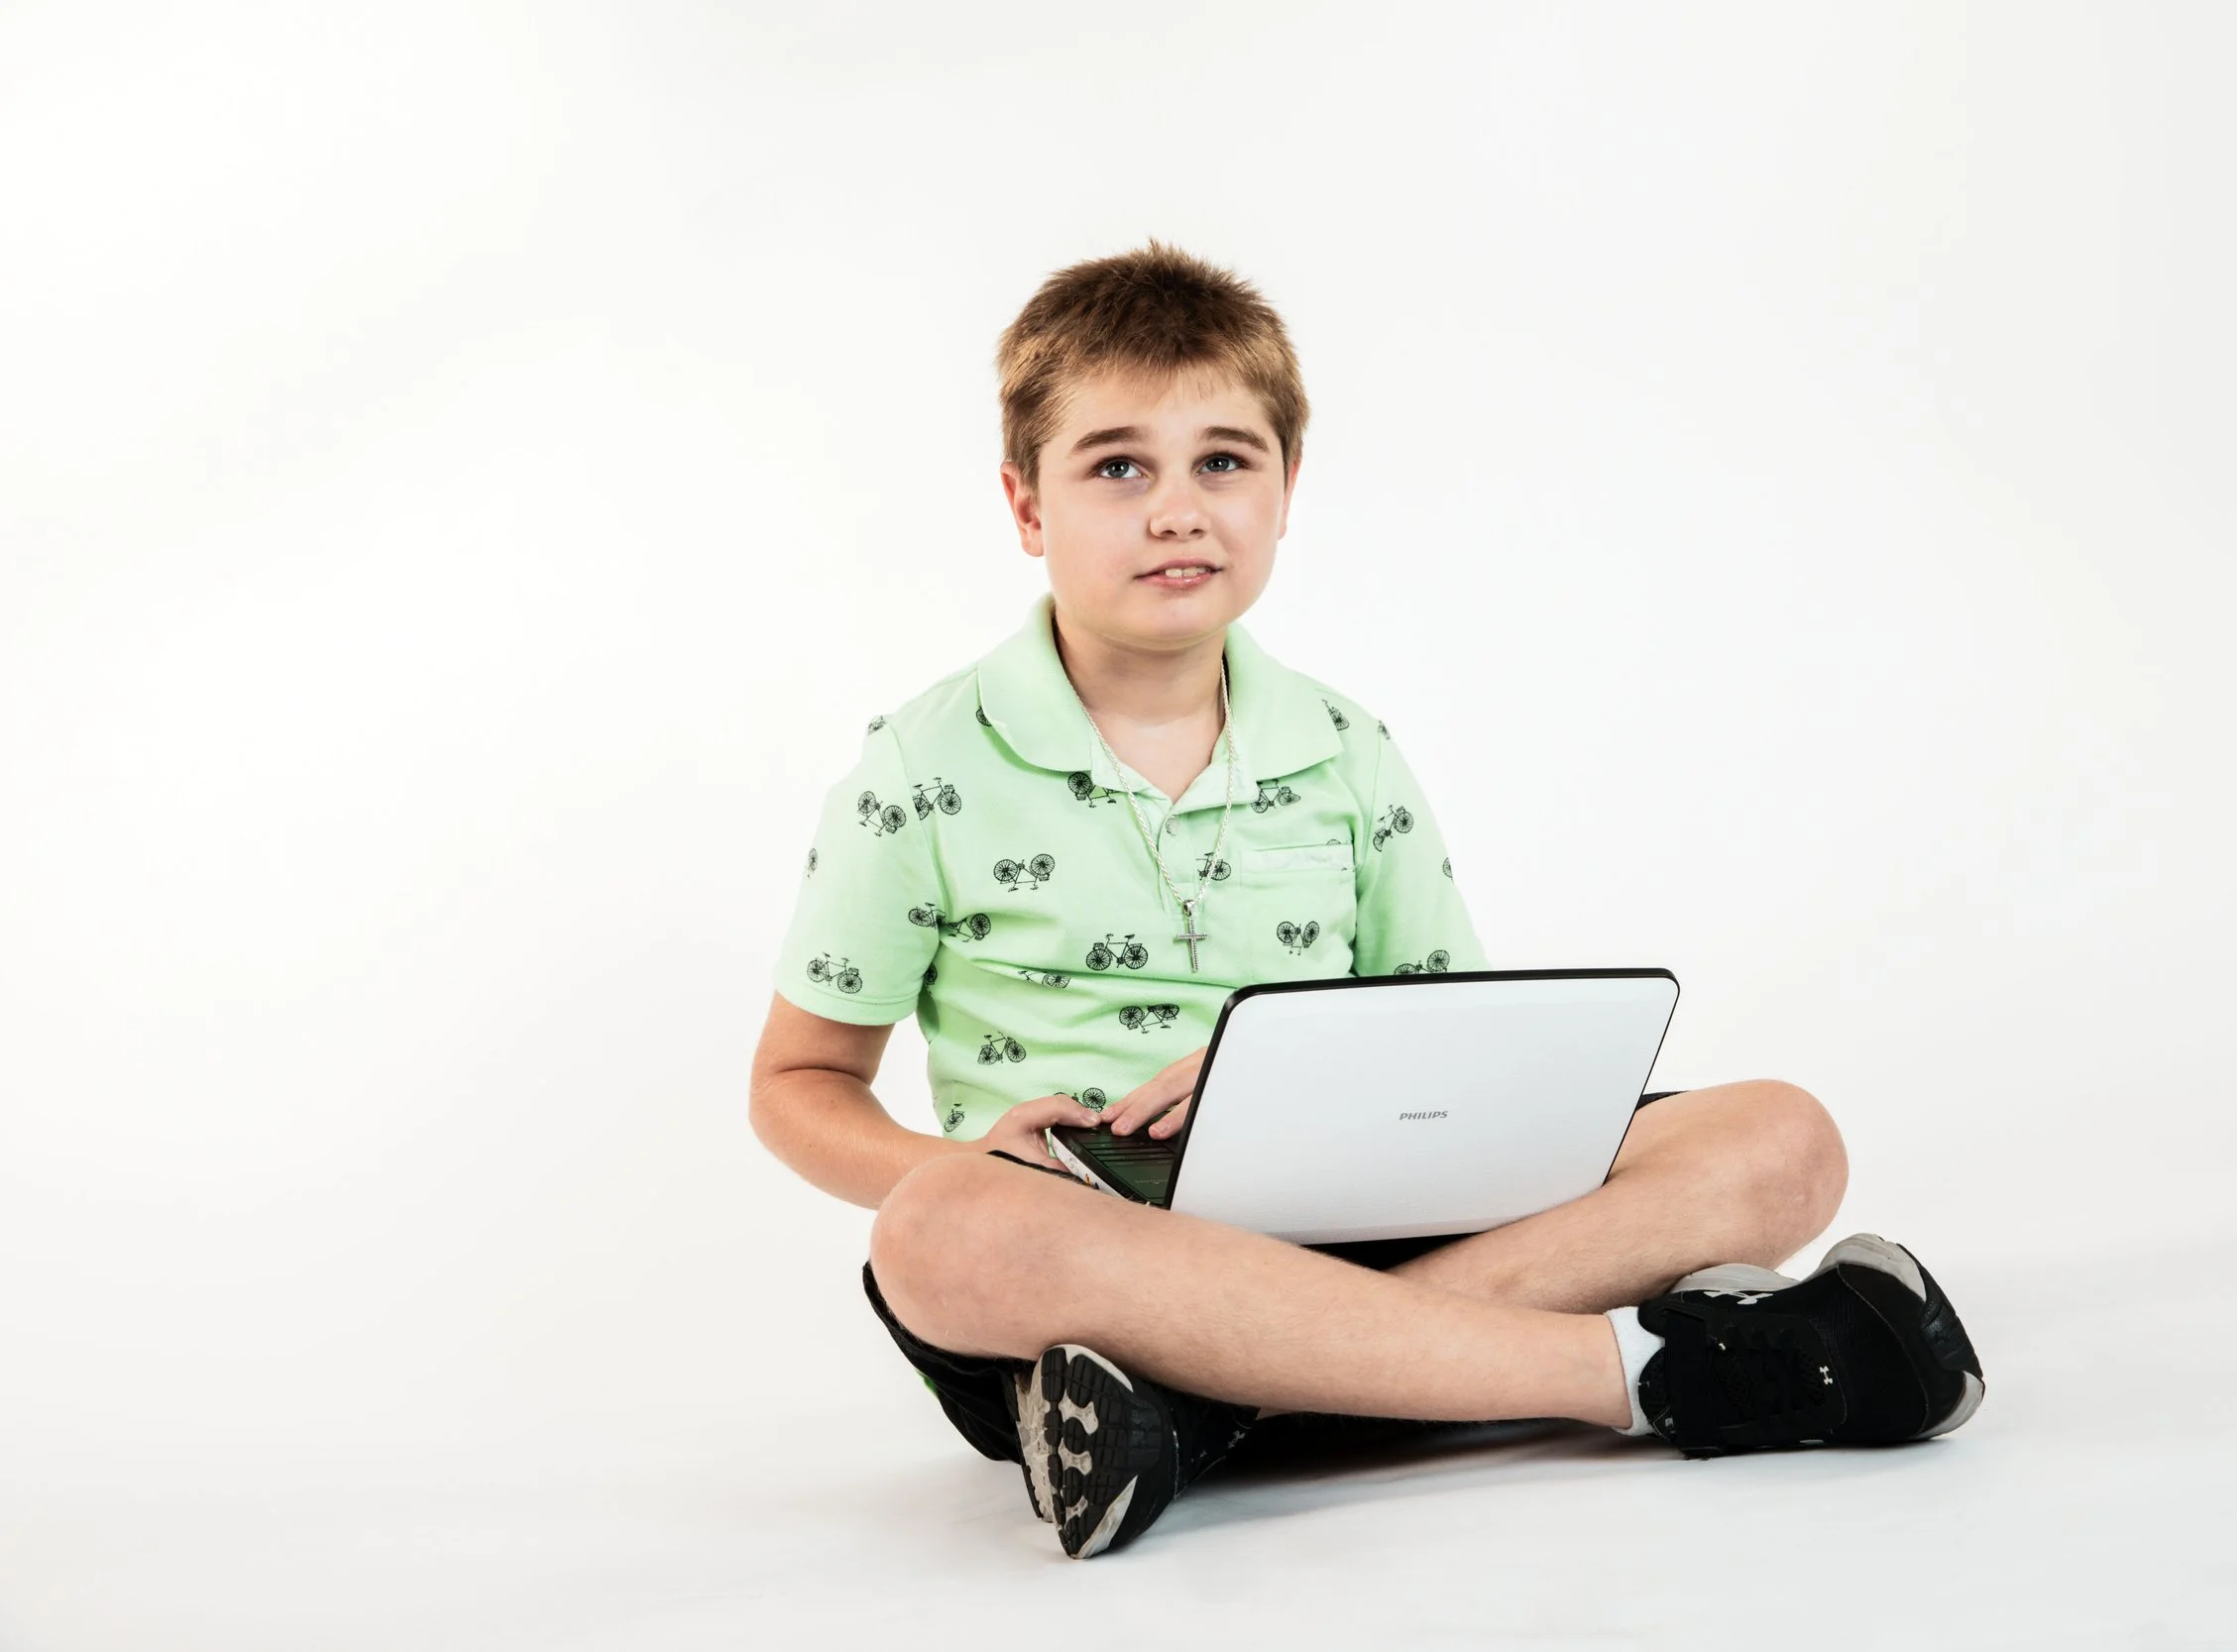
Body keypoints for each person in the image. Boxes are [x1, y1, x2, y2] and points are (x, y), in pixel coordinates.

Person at [747, 240, 1985, 1560]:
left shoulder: (1344, 750)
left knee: (1784, 1138)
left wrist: (1285, 1069)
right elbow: (796, 1084)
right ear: (1025, 506)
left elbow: (1455, 1038)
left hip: (1357, 1210)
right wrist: (964, 1157)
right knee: (937, 1231)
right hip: (1089, 1239)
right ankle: (1637, 1373)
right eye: (1119, 465)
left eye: (1224, 460)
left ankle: (1197, 1414)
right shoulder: (923, 765)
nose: (1178, 508)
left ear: (1287, 493)